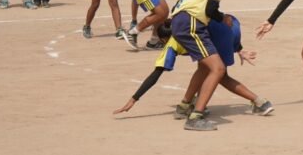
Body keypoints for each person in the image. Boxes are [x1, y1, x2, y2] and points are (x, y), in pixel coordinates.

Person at [112, 16, 273, 118]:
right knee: (204, 67)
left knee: (218, 74)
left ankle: (260, 102)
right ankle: (186, 104)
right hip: (231, 24)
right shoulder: (183, 22)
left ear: (164, 39)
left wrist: (133, 99)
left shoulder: (172, 44)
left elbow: (156, 74)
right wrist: (238, 48)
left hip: (222, 32)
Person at [165, 0, 235, 131]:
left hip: (179, 20)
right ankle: (195, 116)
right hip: (192, 23)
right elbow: (210, 10)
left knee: (206, 66)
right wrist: (224, 18)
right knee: (218, 69)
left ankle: (184, 106)